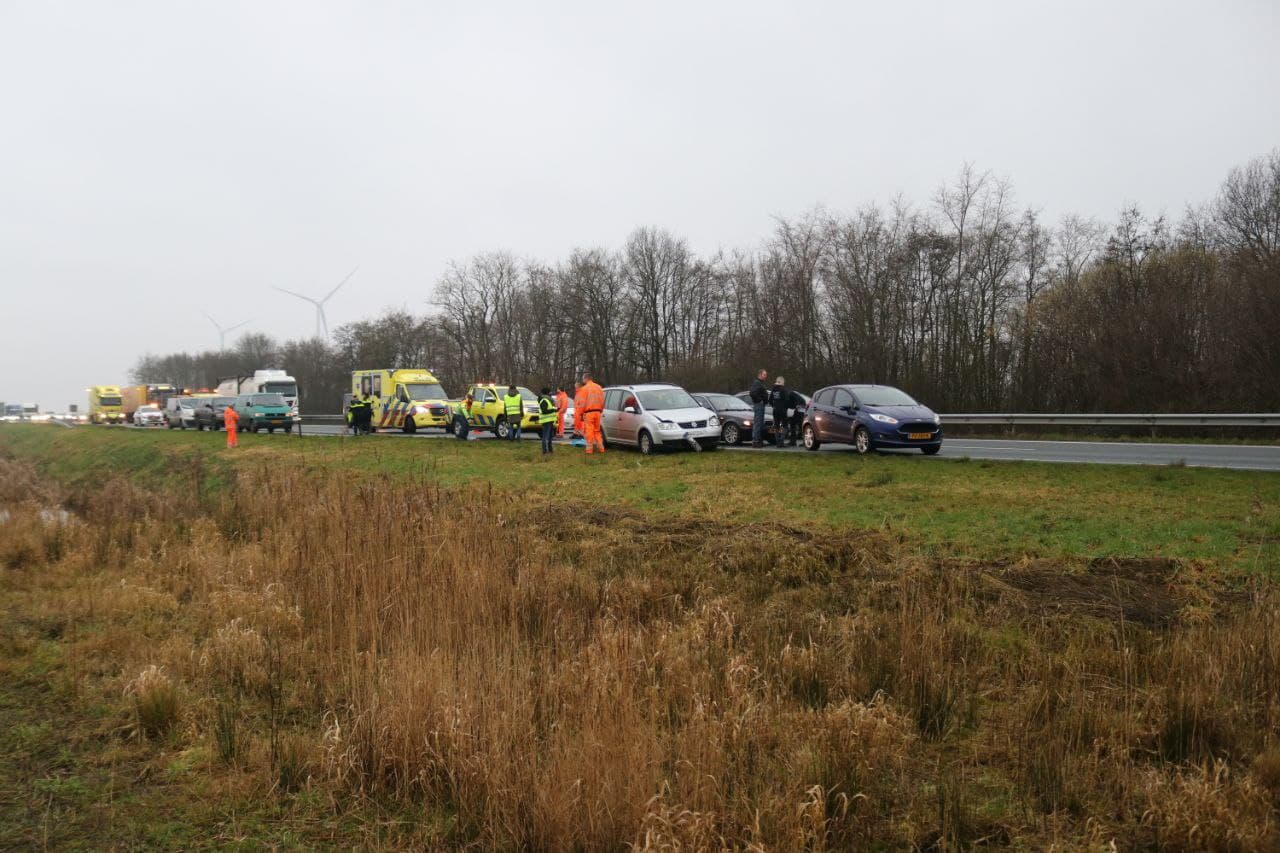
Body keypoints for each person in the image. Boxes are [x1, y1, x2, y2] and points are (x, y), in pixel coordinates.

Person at [579, 372, 605, 454]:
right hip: (598, 412)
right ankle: (601, 448)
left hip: (589, 413)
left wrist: (580, 414)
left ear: (586, 379)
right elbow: (602, 400)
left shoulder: (584, 389)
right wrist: (601, 410)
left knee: (589, 431)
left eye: (583, 379)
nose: (582, 380)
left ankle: (589, 450)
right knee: (597, 431)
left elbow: (582, 403)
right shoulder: (599, 387)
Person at [749, 369, 769, 447]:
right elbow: (752, 393)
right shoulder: (757, 383)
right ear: (760, 374)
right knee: (758, 423)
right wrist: (759, 400)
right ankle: (755, 441)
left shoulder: (760, 383)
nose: (765, 376)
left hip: (761, 405)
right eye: (764, 375)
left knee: (760, 423)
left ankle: (759, 440)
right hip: (759, 405)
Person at [769, 376, 790, 447]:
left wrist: (774, 406)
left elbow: (770, 400)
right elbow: (787, 400)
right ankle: (781, 441)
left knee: (776, 426)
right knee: (785, 426)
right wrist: (785, 407)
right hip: (782, 410)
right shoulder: (783, 389)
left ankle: (778, 442)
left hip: (775, 410)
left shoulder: (773, 389)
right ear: (782, 382)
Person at [537, 387, 557, 455]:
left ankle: (550, 450)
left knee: (550, 436)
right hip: (546, 421)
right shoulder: (544, 400)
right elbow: (544, 411)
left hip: (550, 420)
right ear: (547, 393)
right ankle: (545, 451)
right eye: (550, 392)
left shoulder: (547, 400)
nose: (551, 394)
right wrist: (553, 410)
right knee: (545, 437)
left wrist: (555, 410)